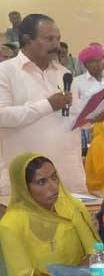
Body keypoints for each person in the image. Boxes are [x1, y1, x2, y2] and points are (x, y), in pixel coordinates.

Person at [0, 14, 85, 195]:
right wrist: (48, 105)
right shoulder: (5, 72)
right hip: (26, 181)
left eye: (58, 39)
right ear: (27, 40)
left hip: (67, 177)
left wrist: (90, 117)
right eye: (49, 39)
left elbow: (72, 118)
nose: (56, 45)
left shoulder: (64, 73)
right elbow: (3, 116)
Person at [72, 43, 104, 110]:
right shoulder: (76, 82)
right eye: (93, 61)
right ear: (85, 65)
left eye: (100, 60)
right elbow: (74, 109)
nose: (98, 63)